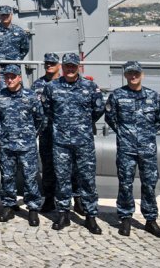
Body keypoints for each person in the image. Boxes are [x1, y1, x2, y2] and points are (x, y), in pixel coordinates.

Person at [42, 52, 105, 234]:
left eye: (73, 66)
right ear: (62, 67)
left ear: (78, 67)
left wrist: (82, 124)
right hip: (60, 142)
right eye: (67, 65)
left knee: (87, 180)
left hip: (83, 142)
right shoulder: (52, 87)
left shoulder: (90, 87)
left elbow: (98, 110)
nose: (70, 69)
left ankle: (91, 216)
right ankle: (63, 214)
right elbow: (48, 110)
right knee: (62, 179)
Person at [105, 61, 160, 238]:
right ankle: (125, 218)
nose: (133, 76)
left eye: (136, 73)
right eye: (130, 73)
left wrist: (146, 135)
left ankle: (150, 220)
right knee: (125, 183)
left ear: (142, 74)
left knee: (149, 184)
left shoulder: (153, 96)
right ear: (125, 75)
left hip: (147, 148)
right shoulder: (117, 96)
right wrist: (125, 134)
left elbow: (158, 118)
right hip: (126, 147)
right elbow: (111, 118)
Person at [0, 64, 43, 226]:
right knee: (7, 177)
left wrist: (29, 134)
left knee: (30, 178)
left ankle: (33, 208)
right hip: (6, 145)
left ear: (19, 78)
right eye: (7, 77)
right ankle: (8, 205)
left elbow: (40, 118)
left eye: (12, 77)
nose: (9, 80)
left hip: (27, 145)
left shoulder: (30, 96)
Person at [33, 52, 61, 212]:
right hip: (46, 132)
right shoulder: (37, 85)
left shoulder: (66, 83)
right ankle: (49, 198)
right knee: (48, 166)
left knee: (72, 168)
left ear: (59, 65)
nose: (49, 65)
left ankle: (76, 199)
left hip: (65, 133)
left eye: (52, 63)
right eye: (47, 63)